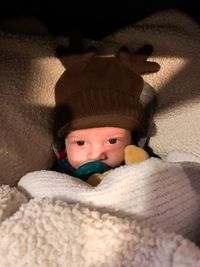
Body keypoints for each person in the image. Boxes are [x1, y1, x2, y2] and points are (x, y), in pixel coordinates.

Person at [53, 46, 160, 181]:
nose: (97, 155)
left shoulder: (143, 163)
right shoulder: (58, 175)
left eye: (112, 141)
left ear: (132, 140)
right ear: (64, 144)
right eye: (80, 143)